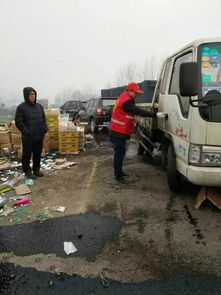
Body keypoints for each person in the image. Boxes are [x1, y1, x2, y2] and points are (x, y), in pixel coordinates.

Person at [109, 82, 167, 185]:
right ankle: (118, 176)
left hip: (118, 130)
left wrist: (132, 122)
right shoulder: (126, 101)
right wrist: (155, 114)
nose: (137, 94)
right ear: (130, 91)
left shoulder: (125, 97)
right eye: (135, 92)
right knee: (119, 154)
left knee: (121, 153)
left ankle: (120, 172)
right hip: (117, 131)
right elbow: (138, 111)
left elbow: (126, 114)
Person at [15, 87, 48, 179]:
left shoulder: (39, 106)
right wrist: (26, 131)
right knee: (27, 155)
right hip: (28, 137)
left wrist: (44, 129)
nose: (32, 96)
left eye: (33, 94)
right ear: (26, 96)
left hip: (39, 135)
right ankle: (28, 171)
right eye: (30, 94)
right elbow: (19, 122)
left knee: (37, 154)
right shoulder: (21, 107)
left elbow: (43, 119)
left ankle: (36, 170)